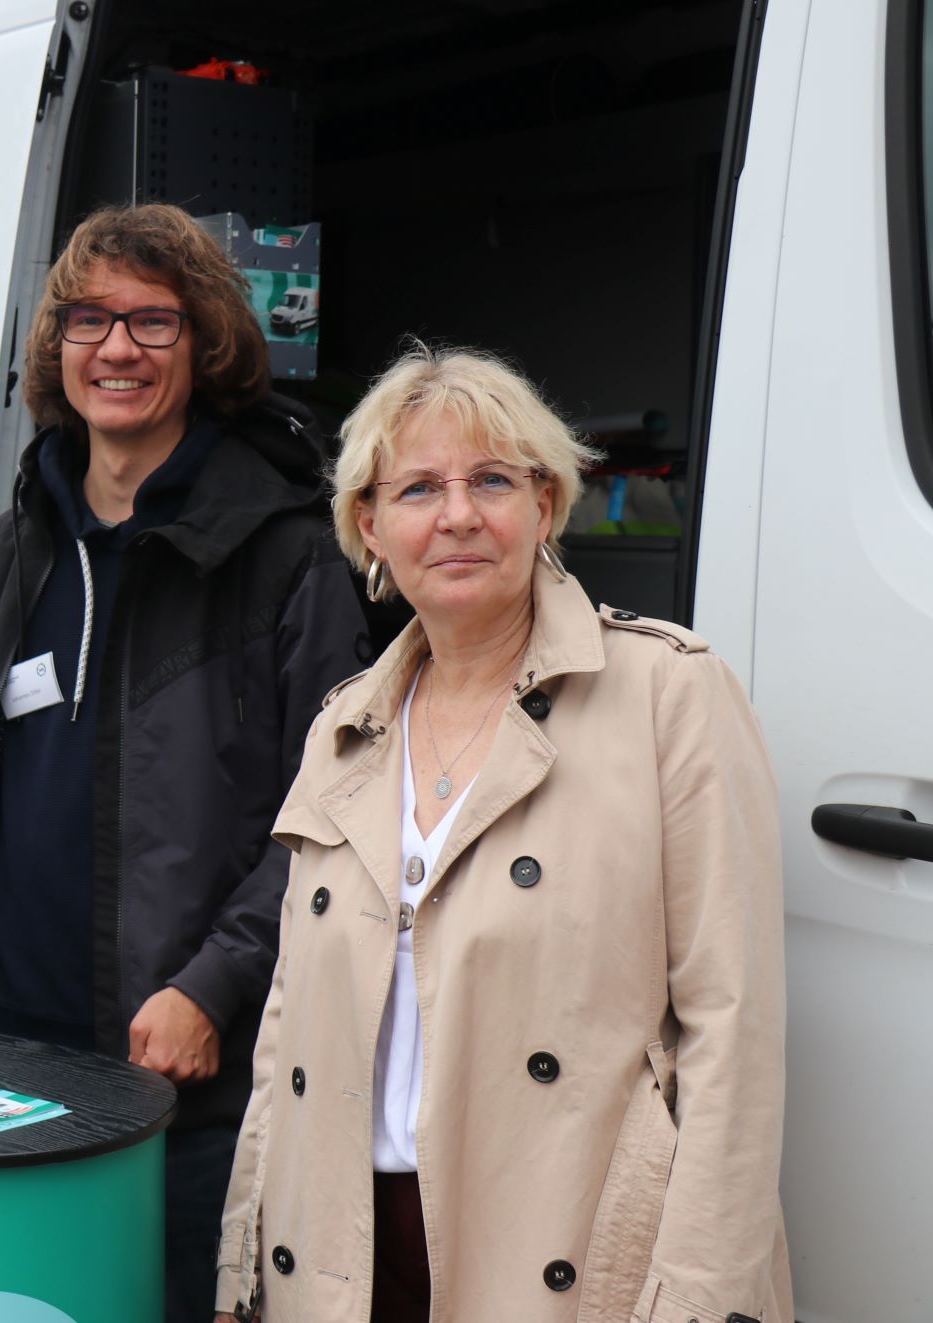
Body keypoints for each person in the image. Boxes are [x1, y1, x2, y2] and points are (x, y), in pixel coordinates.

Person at [211, 344, 794, 1321]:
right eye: (419, 488)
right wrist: (242, 1263)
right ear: (369, 526)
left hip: (566, 1252)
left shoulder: (669, 693)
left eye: (491, 479)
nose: (457, 516)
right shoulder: (343, 727)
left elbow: (733, 1026)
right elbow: (285, 1031)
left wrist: (698, 1293)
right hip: (344, 1254)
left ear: (546, 505)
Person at [0, 203, 370, 1323]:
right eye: (88, 320)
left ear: (206, 341)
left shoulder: (285, 551)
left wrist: (211, 986)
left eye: (152, 322)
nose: (115, 349)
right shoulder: (12, 543)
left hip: (178, 1067)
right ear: (55, 346)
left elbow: (339, 811)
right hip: (0, 1049)